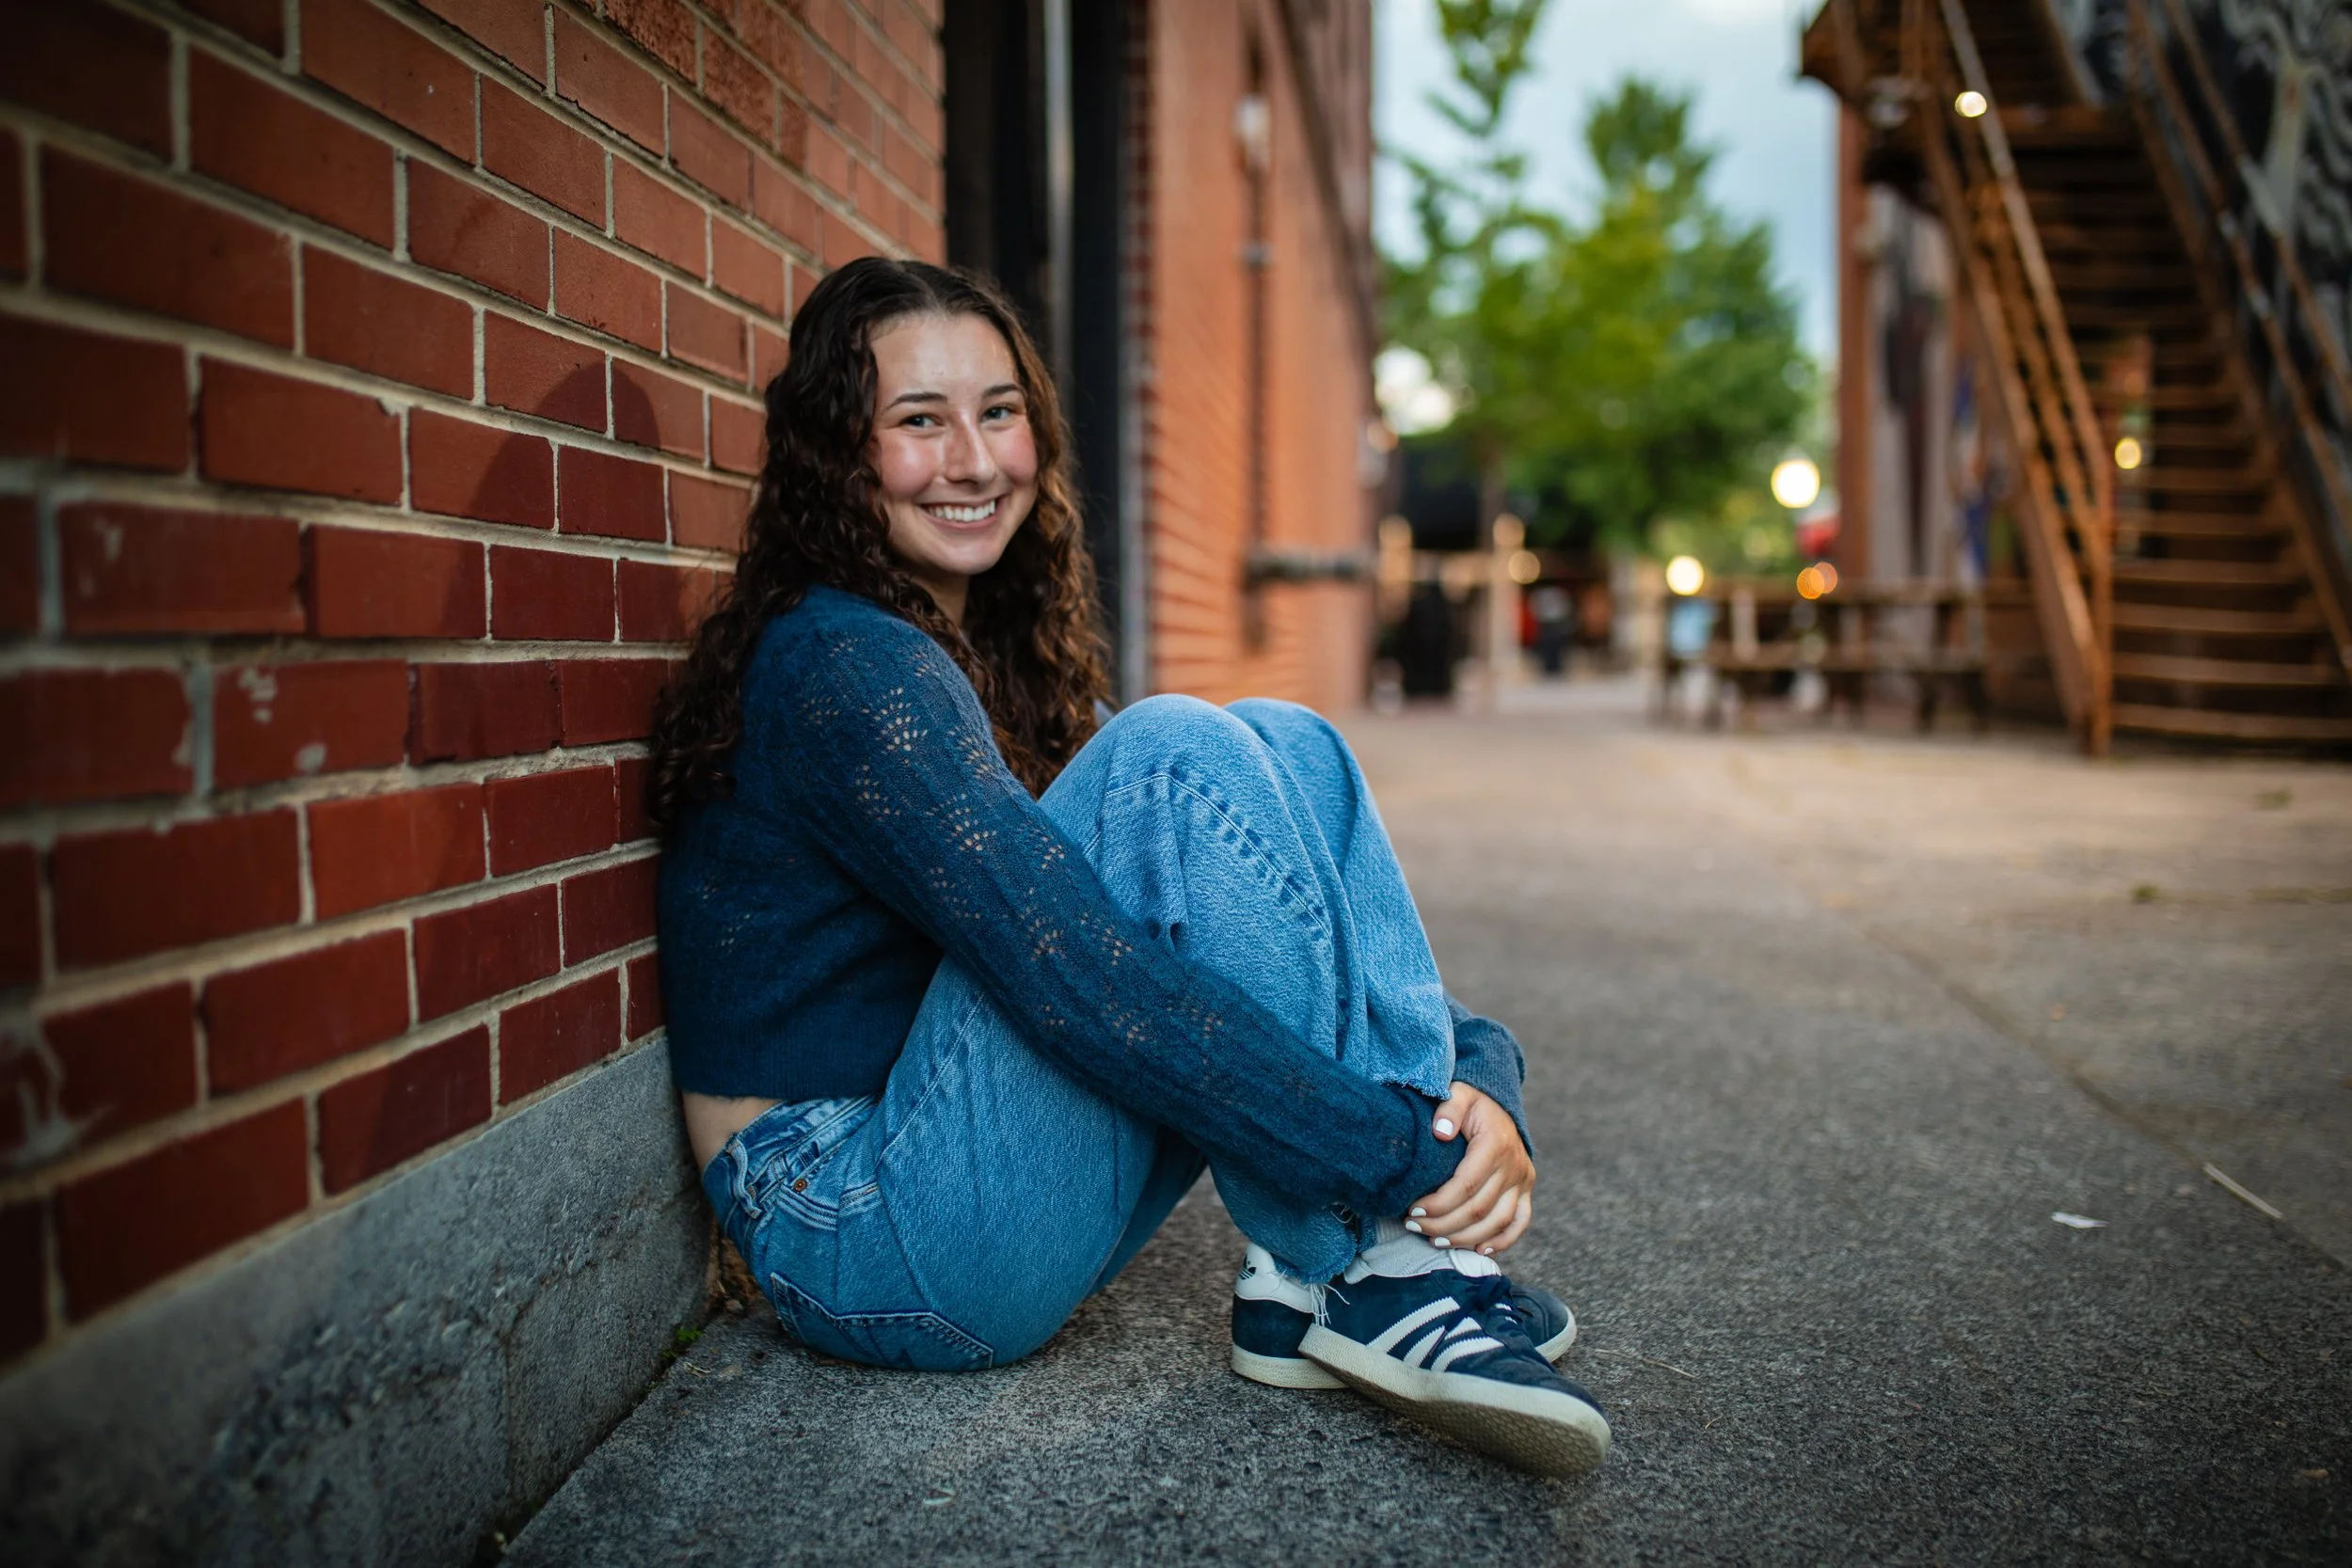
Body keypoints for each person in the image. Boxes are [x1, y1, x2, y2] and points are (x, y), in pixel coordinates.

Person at [645, 257, 1610, 1477]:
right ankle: (1373, 1251)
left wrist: (1482, 1073)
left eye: (998, 413)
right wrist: (1406, 1152)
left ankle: (1356, 1264)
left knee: (1282, 741)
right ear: (837, 452)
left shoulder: (993, 658)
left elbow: (1235, 911)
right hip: (843, 1220)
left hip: (935, 1157)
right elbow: (1080, 978)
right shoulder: (846, 667)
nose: (974, 458)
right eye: (917, 421)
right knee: (1167, 758)